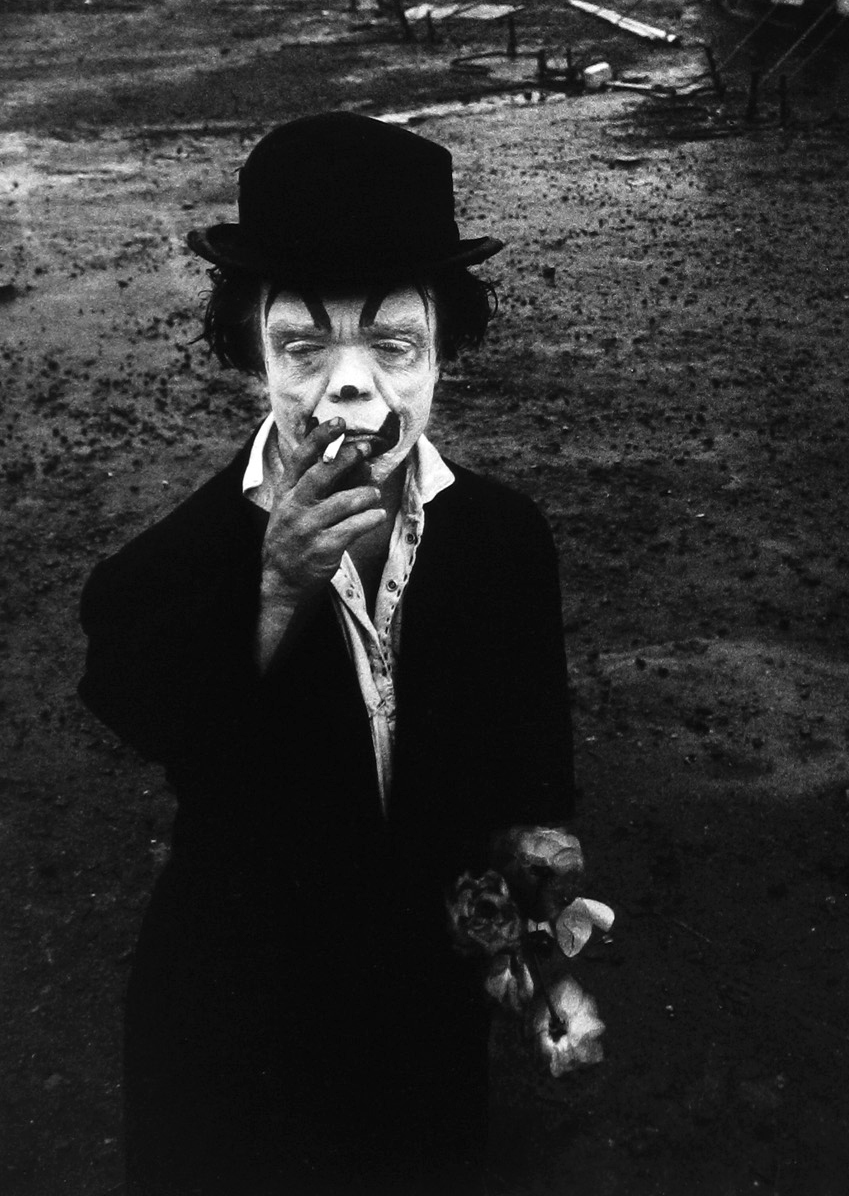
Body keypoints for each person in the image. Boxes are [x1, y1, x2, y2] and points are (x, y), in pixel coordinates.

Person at [78, 113, 576, 1196]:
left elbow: (532, 764)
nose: (349, 388)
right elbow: (143, 704)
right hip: (233, 1033)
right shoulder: (165, 569)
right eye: (304, 346)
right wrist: (271, 589)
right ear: (251, 344)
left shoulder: (503, 540)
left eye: (391, 344)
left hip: (422, 1027)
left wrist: (535, 927)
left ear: (444, 346)